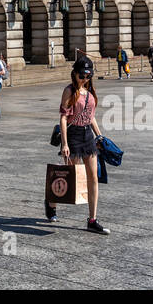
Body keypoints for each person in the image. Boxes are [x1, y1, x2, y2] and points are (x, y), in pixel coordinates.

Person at [45, 56, 110, 233]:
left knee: (93, 178)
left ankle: (92, 219)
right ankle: (51, 202)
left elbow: (91, 115)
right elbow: (64, 117)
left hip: (87, 135)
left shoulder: (89, 91)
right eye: (82, 75)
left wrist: (100, 136)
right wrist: (64, 144)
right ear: (74, 73)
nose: (85, 79)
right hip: (73, 136)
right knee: (70, 176)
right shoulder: (69, 91)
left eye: (88, 76)